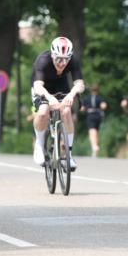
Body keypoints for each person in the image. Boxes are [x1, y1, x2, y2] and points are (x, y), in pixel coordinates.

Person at [31, 36, 84, 169]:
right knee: (43, 112)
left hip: (61, 85)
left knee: (66, 111)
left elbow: (80, 85)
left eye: (66, 59)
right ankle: (39, 145)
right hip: (43, 87)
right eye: (58, 59)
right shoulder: (43, 60)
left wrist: (71, 95)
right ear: (52, 55)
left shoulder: (73, 61)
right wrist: (49, 98)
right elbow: (37, 86)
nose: (62, 63)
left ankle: (68, 155)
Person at [79, 85, 108, 157]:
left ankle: (94, 146)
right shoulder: (100, 98)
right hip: (98, 115)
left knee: (92, 131)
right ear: (97, 90)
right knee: (96, 132)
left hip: (90, 115)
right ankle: (95, 147)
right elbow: (104, 106)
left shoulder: (87, 98)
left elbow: (82, 108)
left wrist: (83, 109)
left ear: (91, 90)